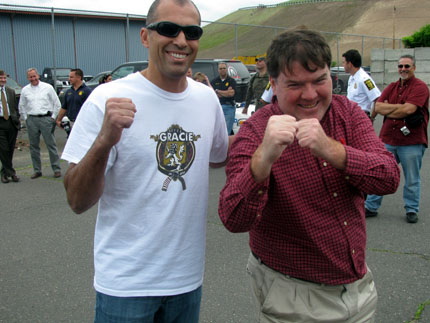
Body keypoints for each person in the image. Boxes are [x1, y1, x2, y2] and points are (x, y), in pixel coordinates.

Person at [61, 0, 229, 322]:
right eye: (168, 29)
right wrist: (104, 141)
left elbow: (218, 154)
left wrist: (267, 129)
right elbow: (77, 200)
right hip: (126, 286)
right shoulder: (106, 99)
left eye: (192, 32)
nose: (181, 40)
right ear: (144, 36)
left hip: (187, 281)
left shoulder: (206, 98)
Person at [218, 29, 400, 322]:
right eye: (295, 84)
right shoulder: (255, 131)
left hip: (360, 288)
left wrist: (332, 150)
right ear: (274, 84)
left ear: (332, 76)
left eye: (319, 80)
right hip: (292, 295)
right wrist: (263, 158)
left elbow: (389, 177)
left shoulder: (348, 114)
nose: (311, 94)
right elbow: (232, 217)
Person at [366, 55, 429, 223]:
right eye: (400, 66)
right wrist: (397, 108)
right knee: (380, 173)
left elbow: (409, 110)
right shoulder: (392, 87)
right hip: (388, 138)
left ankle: (411, 209)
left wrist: (390, 109)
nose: (403, 69)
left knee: (412, 179)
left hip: (412, 141)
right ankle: (371, 206)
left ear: (414, 67)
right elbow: (378, 106)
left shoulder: (421, 87)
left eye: (407, 66)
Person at [19, 68, 61, 179]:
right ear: (28, 78)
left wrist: (53, 118)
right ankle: (37, 170)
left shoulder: (48, 88)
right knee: (34, 147)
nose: (33, 79)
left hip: (46, 119)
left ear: (38, 76)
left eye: (34, 76)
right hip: (32, 120)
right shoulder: (25, 90)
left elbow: (57, 103)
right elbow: (21, 106)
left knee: (51, 145)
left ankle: (56, 169)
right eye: (30, 77)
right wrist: (26, 118)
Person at [342, 49, 381, 119]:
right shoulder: (351, 78)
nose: (343, 65)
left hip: (361, 117)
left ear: (350, 64)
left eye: (344, 62)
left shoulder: (364, 79)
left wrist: (371, 118)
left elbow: (377, 98)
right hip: (351, 116)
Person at [0, 70, 21, 183]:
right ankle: (12, 173)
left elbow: (15, 108)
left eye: (4, 78)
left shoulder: (10, 91)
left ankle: (4, 173)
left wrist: (16, 118)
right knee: (3, 149)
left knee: (10, 149)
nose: (3, 80)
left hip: (11, 123)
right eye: (1, 78)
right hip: (0, 123)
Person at [211, 62, 236, 134]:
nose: (222, 70)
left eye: (224, 68)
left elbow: (231, 93)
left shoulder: (231, 81)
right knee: (216, 133)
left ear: (227, 69)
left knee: (226, 133)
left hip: (229, 108)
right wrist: (225, 93)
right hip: (217, 108)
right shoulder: (214, 81)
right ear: (218, 70)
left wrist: (217, 91)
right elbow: (213, 95)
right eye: (220, 68)